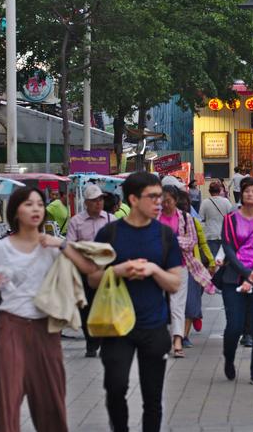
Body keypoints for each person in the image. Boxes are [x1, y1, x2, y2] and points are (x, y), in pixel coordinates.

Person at [0, 187, 97, 432]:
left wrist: (60, 243)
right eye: (28, 204)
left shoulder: (51, 246)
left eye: (39, 205)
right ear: (16, 211)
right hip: (11, 327)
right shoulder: (1, 248)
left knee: (51, 400)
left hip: (46, 329)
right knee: (8, 401)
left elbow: (89, 268)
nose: (35, 209)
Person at [90, 172, 183, 432]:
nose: (159, 202)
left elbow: (175, 282)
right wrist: (117, 271)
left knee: (153, 396)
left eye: (160, 196)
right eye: (152, 197)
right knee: (116, 387)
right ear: (133, 199)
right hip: (116, 326)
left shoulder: (165, 235)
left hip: (153, 326)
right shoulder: (109, 233)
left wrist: (154, 270)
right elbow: (93, 279)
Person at [219, 177, 253, 385]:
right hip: (233, 278)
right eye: (247, 191)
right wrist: (245, 272)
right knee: (234, 326)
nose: (250, 194)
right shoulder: (230, 220)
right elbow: (228, 250)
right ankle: (229, 359)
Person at [66, 184, 115, 358]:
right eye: (94, 200)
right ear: (86, 202)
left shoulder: (111, 219)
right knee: (86, 308)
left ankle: (104, 341)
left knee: (106, 306)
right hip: (84, 270)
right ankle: (91, 342)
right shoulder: (76, 221)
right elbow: (70, 247)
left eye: (100, 199)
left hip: (106, 269)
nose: (98, 203)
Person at [175, 190, 216, 350]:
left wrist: (211, 261)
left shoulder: (192, 221)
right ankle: (182, 330)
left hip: (192, 266)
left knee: (191, 302)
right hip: (172, 267)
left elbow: (202, 243)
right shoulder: (164, 222)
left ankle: (184, 335)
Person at [158, 185, 192, 358]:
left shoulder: (185, 218)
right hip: (157, 266)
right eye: (162, 200)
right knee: (159, 303)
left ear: (176, 201)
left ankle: (177, 340)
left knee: (177, 305)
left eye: (168, 201)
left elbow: (191, 242)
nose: (165, 204)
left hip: (180, 266)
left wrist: (171, 240)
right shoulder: (155, 218)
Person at [199, 181, 234, 255]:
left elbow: (201, 217)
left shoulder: (205, 202)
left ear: (209, 191)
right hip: (224, 233)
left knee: (213, 258)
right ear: (219, 190)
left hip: (210, 234)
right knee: (224, 258)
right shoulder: (226, 201)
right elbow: (232, 216)